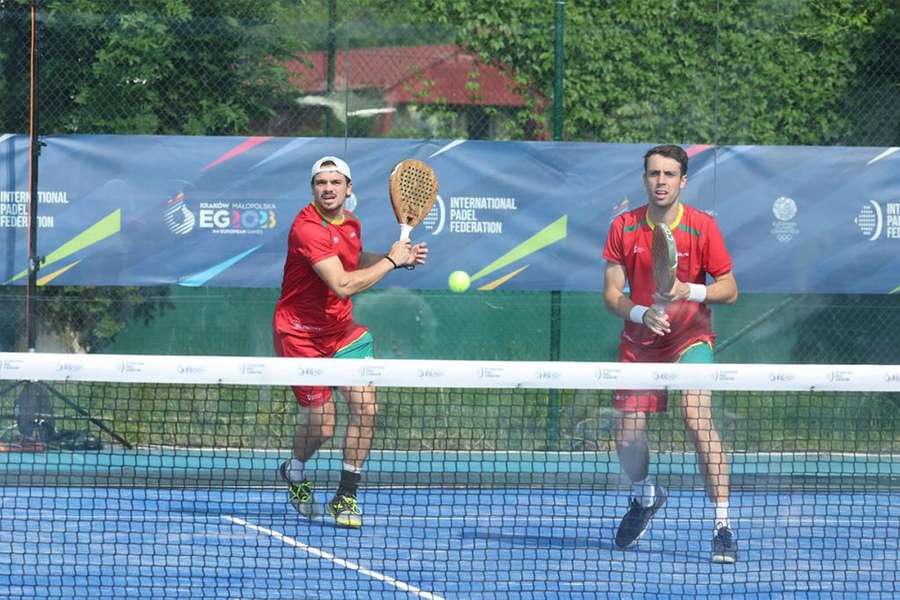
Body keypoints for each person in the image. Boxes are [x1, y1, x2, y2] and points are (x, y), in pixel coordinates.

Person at [602, 144, 739, 563]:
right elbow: (611, 294)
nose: (660, 181)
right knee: (626, 438)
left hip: (690, 337)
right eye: (653, 174)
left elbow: (730, 290)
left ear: (683, 180)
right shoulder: (623, 227)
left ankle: (722, 527)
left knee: (696, 417)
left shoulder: (702, 227)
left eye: (668, 174)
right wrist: (641, 313)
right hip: (641, 341)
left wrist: (690, 290)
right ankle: (646, 497)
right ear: (645, 178)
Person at [273, 156, 427, 528]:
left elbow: (353, 260)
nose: (328, 188)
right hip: (299, 335)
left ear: (348, 188)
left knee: (366, 408)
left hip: (342, 332)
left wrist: (398, 259)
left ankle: (346, 496)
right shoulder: (307, 229)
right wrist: (391, 260)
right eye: (320, 183)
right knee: (324, 426)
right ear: (313, 189)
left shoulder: (351, 224)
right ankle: (294, 470)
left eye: (335, 182)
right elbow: (341, 283)